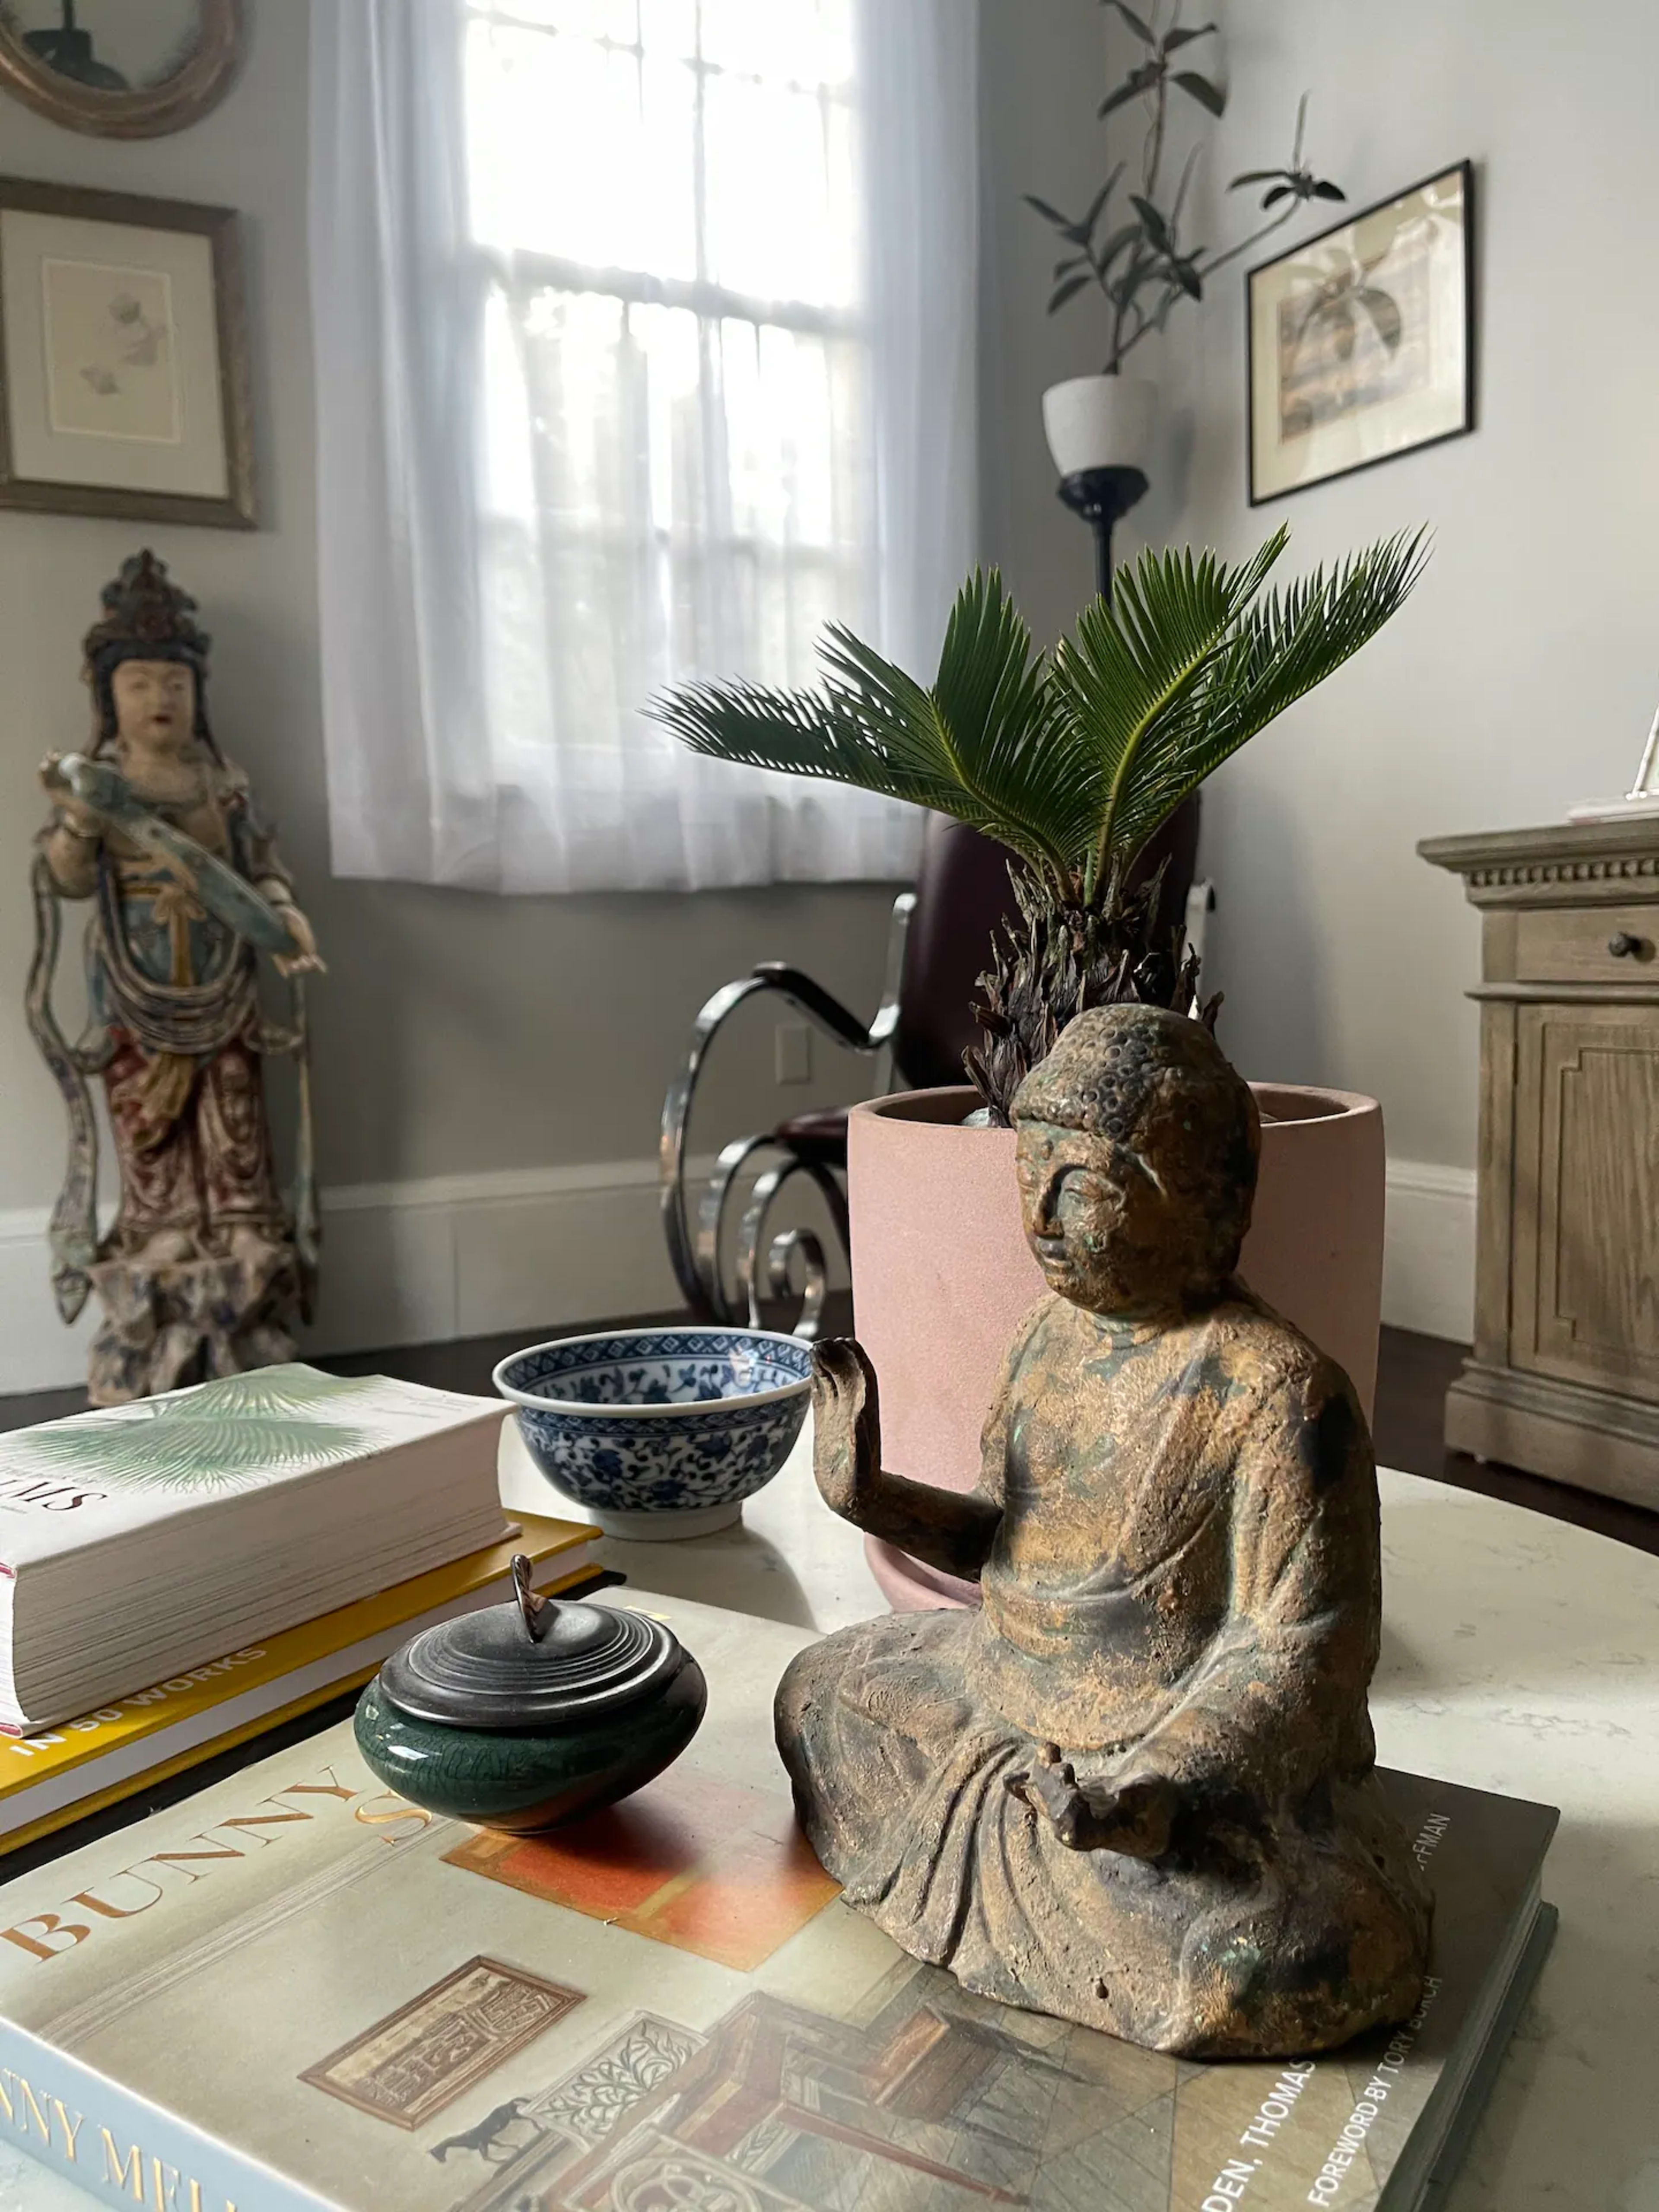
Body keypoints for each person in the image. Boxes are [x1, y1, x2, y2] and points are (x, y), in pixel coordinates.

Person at [777, 1004, 1430, 2057]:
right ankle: (1060, 1872)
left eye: (1082, 1183)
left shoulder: (1277, 1393)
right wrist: (871, 1494)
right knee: (818, 1692)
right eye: (1028, 1171)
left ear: (1197, 1204)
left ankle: (1097, 1863)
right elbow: (1005, 1546)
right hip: (1005, 1697)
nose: (1040, 1213)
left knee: (1294, 1949)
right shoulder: (1046, 1338)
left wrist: (1156, 1783)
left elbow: (1298, 1655)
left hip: (1166, 1754)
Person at [29, 551, 323, 1403]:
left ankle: (236, 1227)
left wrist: (283, 913)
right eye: (141, 684)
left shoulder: (221, 783)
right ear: (109, 697)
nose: (161, 698)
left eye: (175, 684)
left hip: (223, 984)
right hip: (136, 994)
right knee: (147, 1121)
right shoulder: (102, 785)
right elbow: (68, 878)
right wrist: (81, 822)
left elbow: (262, 870)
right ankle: (158, 1232)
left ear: (198, 694)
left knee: (233, 1108)